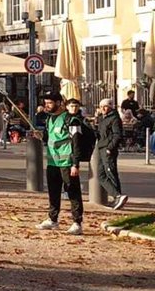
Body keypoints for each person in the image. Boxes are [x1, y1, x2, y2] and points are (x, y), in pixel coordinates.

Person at [34, 92, 84, 235]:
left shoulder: (71, 120)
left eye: (50, 103)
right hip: (52, 162)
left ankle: (77, 222)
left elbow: (76, 142)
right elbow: (49, 138)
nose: (47, 106)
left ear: (59, 103)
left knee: (73, 192)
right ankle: (52, 219)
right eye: (46, 103)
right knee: (53, 192)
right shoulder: (49, 119)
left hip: (67, 163)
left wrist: (75, 164)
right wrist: (41, 137)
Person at [95, 97, 127, 210]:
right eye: (102, 106)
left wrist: (110, 147)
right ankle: (116, 196)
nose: (103, 108)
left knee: (111, 173)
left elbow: (117, 134)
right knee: (101, 175)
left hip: (108, 149)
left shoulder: (114, 118)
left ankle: (118, 196)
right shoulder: (102, 118)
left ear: (110, 107)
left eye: (106, 106)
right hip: (101, 148)